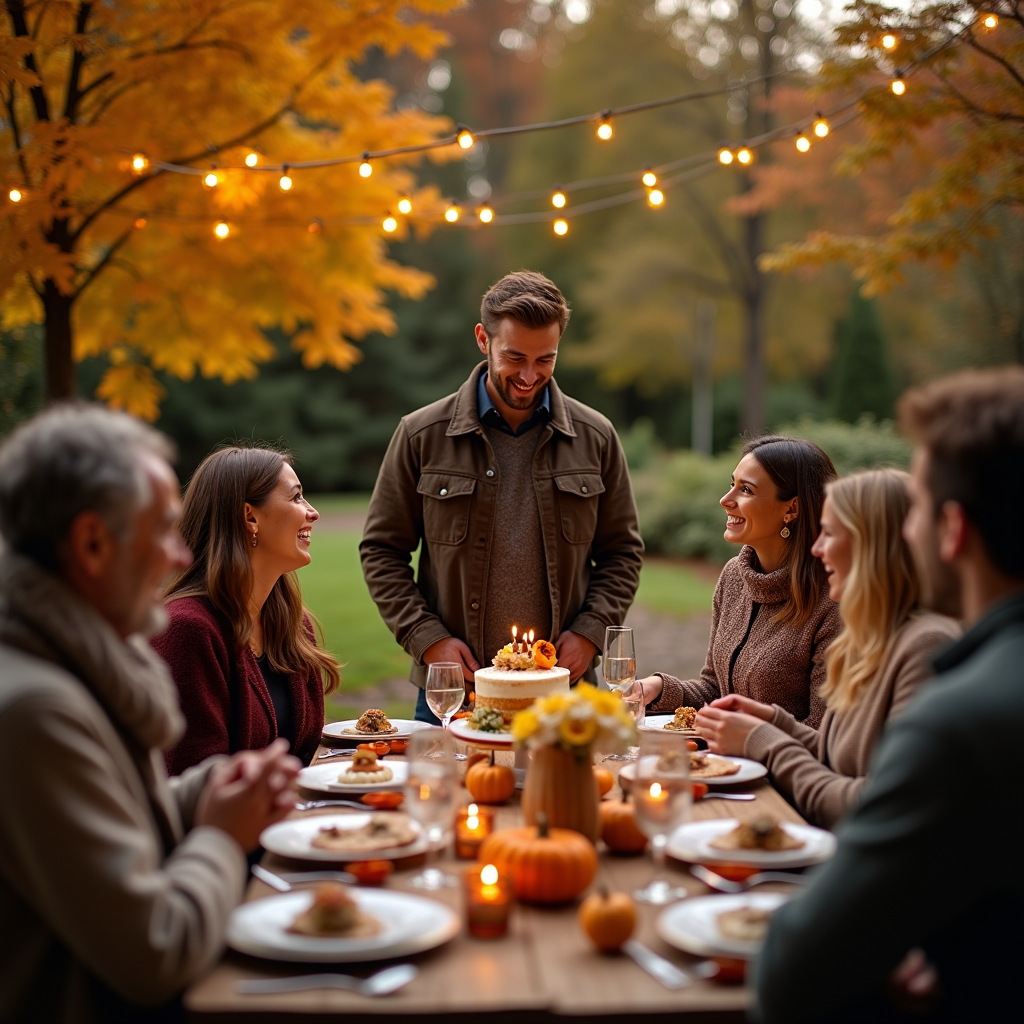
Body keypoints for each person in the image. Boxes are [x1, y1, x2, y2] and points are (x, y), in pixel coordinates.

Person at [0, 406, 299, 1022]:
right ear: (90, 543)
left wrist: (208, 788)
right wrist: (219, 832)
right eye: (161, 530)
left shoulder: (79, 666)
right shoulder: (37, 711)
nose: (175, 556)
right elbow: (152, 950)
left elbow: (125, 813)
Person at [755, 368, 1024, 1023]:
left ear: (953, 530)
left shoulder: (961, 716)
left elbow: (789, 975)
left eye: (922, 510)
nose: (908, 530)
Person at [360, 270, 644, 723]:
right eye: (515, 357)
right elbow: (381, 551)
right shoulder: (420, 435)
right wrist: (426, 637)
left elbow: (622, 554)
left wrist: (590, 633)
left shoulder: (597, 437)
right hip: (455, 693)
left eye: (545, 360)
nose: (530, 376)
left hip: (564, 692)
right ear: (482, 339)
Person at [694, 469, 959, 828]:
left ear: (872, 545)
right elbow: (834, 755)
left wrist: (765, 740)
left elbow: (877, 804)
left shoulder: (926, 646)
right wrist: (772, 720)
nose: (817, 548)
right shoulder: (866, 640)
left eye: (829, 533)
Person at [153, 446, 340, 773]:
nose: (312, 513)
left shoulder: (292, 625)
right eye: (296, 498)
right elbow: (193, 778)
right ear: (251, 517)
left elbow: (303, 761)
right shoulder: (187, 630)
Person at [636, 435, 841, 728]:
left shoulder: (832, 600)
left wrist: (751, 741)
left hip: (785, 772)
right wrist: (659, 688)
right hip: (726, 765)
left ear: (791, 509)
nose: (725, 500)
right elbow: (716, 689)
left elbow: (826, 736)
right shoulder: (735, 576)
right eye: (731, 484)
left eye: (746, 489)